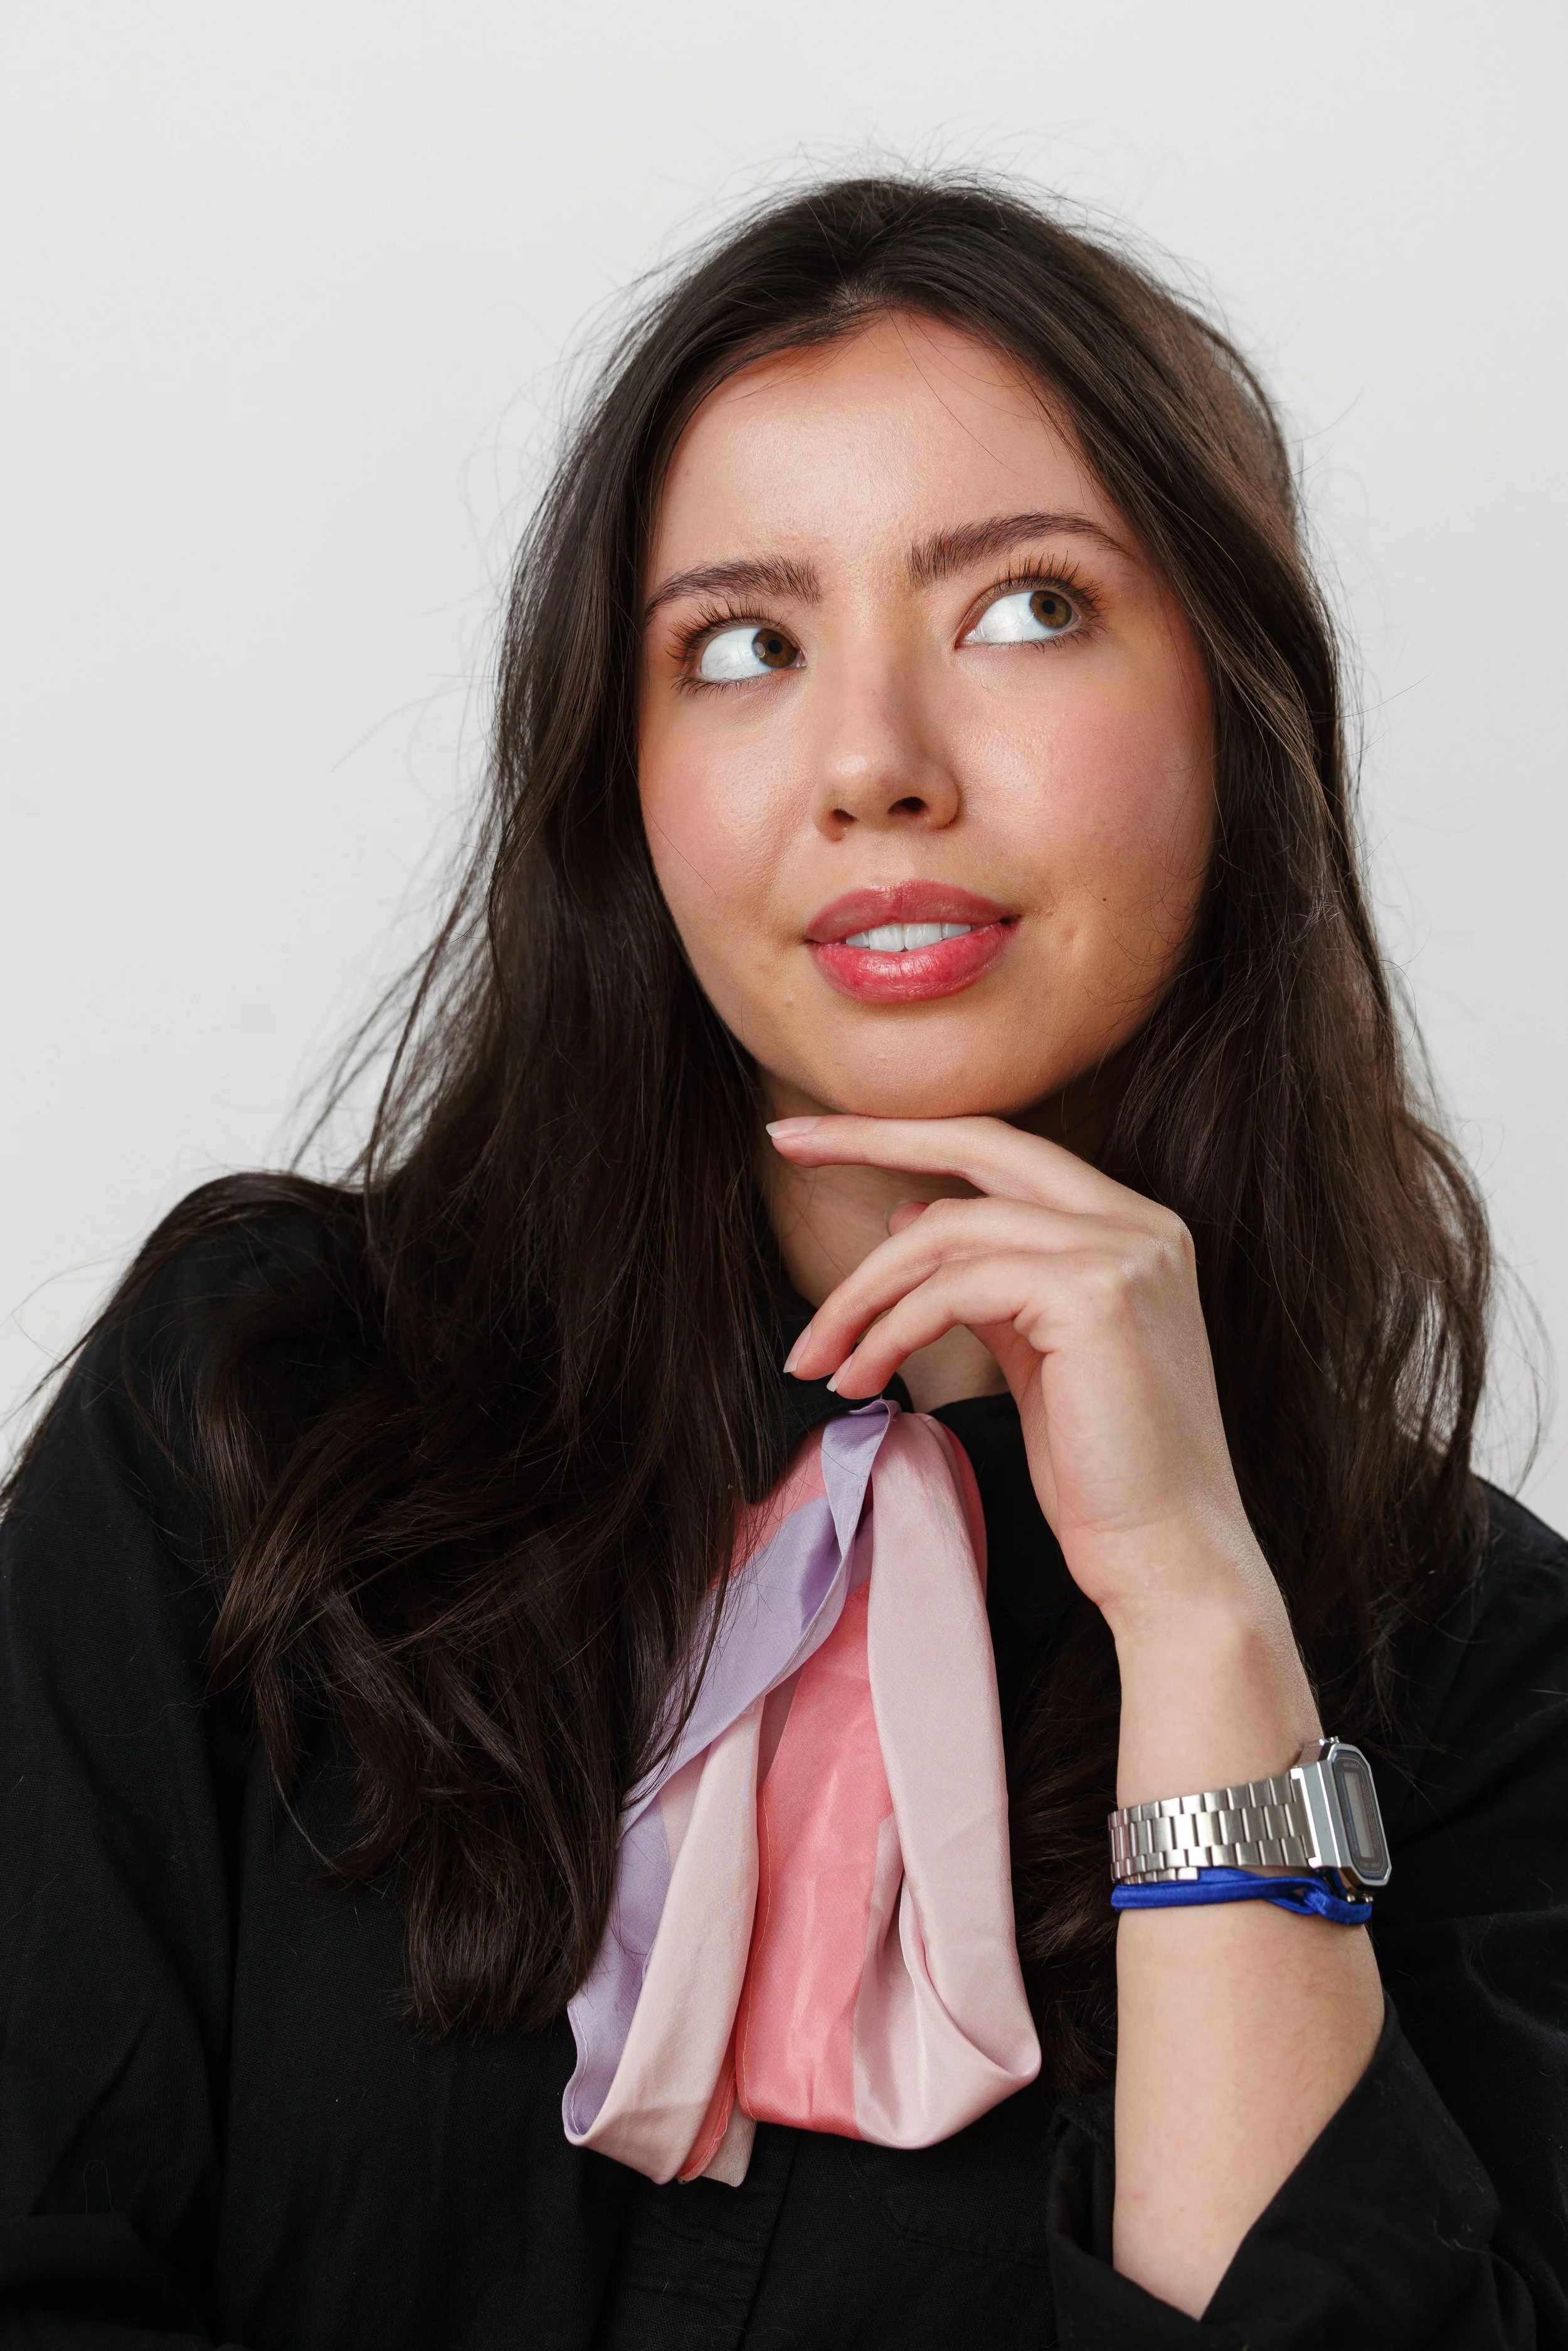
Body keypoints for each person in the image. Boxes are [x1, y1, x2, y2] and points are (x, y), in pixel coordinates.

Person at [2, 173, 1564, 2351]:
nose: (870, 768)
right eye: (739, 645)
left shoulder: (1479, 1665)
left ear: (1237, 706)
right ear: (621, 776)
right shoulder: (261, 1400)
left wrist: (1204, 1625)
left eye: (1024, 609)